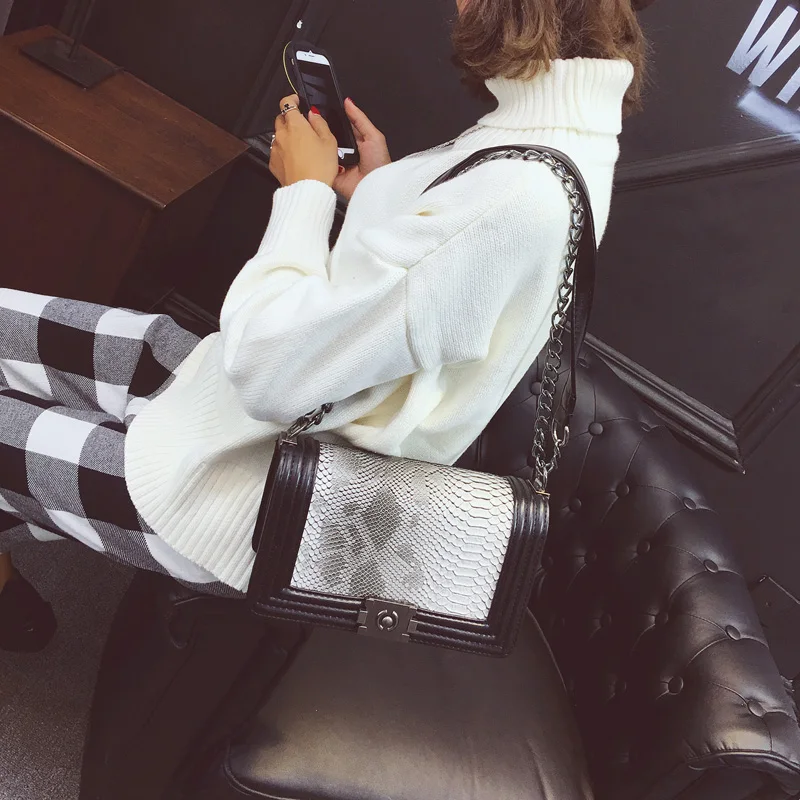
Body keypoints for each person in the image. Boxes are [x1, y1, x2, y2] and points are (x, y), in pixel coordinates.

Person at [0, 0, 648, 651]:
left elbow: (268, 373)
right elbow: (422, 297)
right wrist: (379, 190)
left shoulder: (519, 195)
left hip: (232, 495)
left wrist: (302, 194)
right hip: (230, 418)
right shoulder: (561, 144)